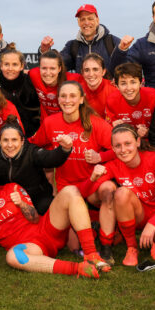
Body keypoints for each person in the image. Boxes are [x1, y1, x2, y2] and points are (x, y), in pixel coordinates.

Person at [0, 156, 110, 278]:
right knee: (12, 257)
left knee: (70, 191)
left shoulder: (11, 188)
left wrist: (21, 204)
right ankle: (79, 268)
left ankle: (91, 254)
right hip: (32, 248)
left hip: (46, 229)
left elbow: (35, 218)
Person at [30, 81, 116, 263]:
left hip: (92, 184)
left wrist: (100, 158)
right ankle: (93, 226)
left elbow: (119, 150)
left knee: (108, 189)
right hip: (67, 189)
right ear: (58, 99)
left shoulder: (95, 123)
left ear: (81, 99)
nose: (67, 100)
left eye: (72, 96)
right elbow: (34, 145)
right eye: (63, 96)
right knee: (73, 247)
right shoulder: (51, 122)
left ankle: (106, 248)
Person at [83, 124, 155, 266]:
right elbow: (86, 195)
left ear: (138, 142)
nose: (123, 150)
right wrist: (92, 178)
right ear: (112, 148)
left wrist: (152, 224)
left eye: (127, 143)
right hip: (139, 213)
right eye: (117, 146)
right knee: (121, 193)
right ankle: (132, 247)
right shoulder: (113, 165)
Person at [0, 116, 72, 215]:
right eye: (5, 140)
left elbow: (51, 158)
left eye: (14, 140)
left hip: (37, 197)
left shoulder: (32, 152)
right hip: (8, 200)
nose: (10, 145)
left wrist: (64, 149)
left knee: (47, 208)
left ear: (22, 141)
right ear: (0, 142)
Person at [39, 4, 121, 74]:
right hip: (82, 92)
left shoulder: (112, 42)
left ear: (97, 20)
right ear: (78, 23)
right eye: (82, 19)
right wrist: (44, 51)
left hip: (108, 92)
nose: (86, 23)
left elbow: (126, 67)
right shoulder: (72, 46)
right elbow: (58, 65)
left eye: (90, 18)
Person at [106, 62, 155, 138]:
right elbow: (109, 133)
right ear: (117, 86)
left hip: (152, 142)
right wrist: (113, 127)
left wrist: (149, 133)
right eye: (123, 83)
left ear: (141, 83)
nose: (129, 88)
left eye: (133, 82)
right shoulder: (112, 101)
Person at [0, 49, 41, 137]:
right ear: (1, 66)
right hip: (3, 136)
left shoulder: (31, 82)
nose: (10, 68)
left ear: (22, 66)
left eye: (15, 64)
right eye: (6, 64)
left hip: (32, 135)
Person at [28, 50, 81, 121]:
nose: (48, 73)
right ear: (39, 68)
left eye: (52, 68)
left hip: (69, 123)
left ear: (59, 69)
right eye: (44, 68)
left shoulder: (73, 79)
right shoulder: (33, 74)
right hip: (46, 125)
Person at [79, 53, 119, 119]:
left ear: (103, 72)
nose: (91, 74)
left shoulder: (114, 90)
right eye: (86, 70)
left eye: (95, 69)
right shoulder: (77, 91)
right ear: (82, 73)